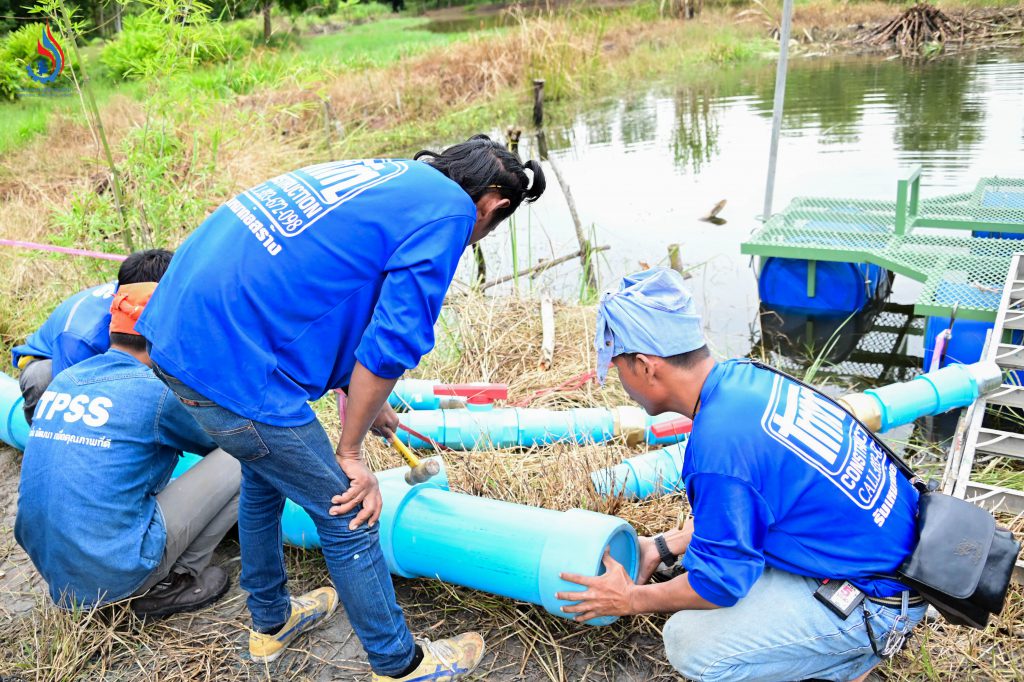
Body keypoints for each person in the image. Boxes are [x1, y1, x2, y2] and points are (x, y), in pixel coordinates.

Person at [135, 136, 546, 678]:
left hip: (177, 333)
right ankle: (399, 663)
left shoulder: (392, 178)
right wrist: (350, 451)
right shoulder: (451, 211)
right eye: (486, 233)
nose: (472, 242)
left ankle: (272, 622)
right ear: (494, 206)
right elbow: (392, 341)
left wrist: (361, 399)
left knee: (264, 474)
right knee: (348, 509)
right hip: (230, 363)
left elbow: (323, 287)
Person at [556, 267, 927, 682]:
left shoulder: (719, 446)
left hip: (879, 599)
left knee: (691, 643)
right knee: (701, 564)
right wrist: (659, 547)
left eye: (618, 366)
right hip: (899, 552)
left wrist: (631, 599)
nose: (620, 381)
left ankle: (850, 660)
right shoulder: (746, 377)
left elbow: (719, 585)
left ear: (645, 365)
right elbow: (751, 508)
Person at [15, 282, 241, 618]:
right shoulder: (155, 392)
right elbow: (221, 438)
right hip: (113, 573)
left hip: (54, 572)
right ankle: (172, 582)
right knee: (243, 456)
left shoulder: (65, 378)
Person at [12, 249, 173, 425]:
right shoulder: (80, 338)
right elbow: (69, 394)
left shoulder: (141, 287)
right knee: (41, 378)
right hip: (55, 362)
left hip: (116, 356)